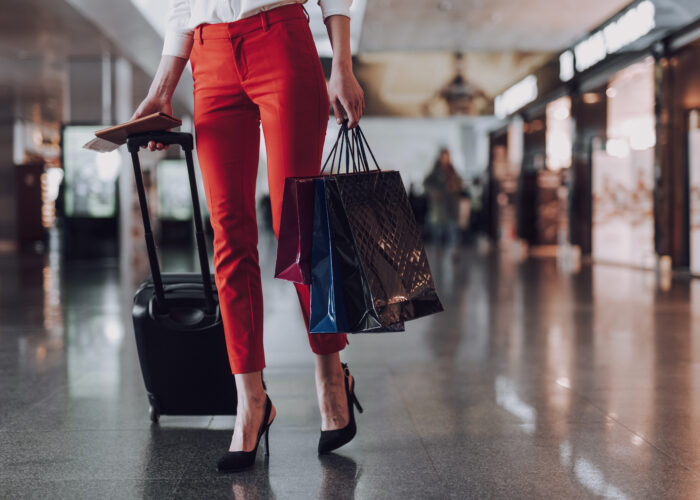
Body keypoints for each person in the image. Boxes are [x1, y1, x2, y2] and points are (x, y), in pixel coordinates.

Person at [131, 0, 364, 472]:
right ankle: (251, 400)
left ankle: (330, 373)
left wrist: (342, 65)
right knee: (228, 235)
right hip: (208, 53)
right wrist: (162, 90)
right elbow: (182, 5)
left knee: (297, 226)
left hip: (280, 36)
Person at [423, 147, 463, 252]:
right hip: (440, 206)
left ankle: (454, 252)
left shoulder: (452, 170)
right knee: (438, 231)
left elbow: (460, 182)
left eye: (447, 156)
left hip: (452, 206)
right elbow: (426, 183)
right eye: (444, 157)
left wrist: (455, 186)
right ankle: (438, 251)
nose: (446, 159)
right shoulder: (435, 171)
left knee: (453, 230)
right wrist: (434, 192)